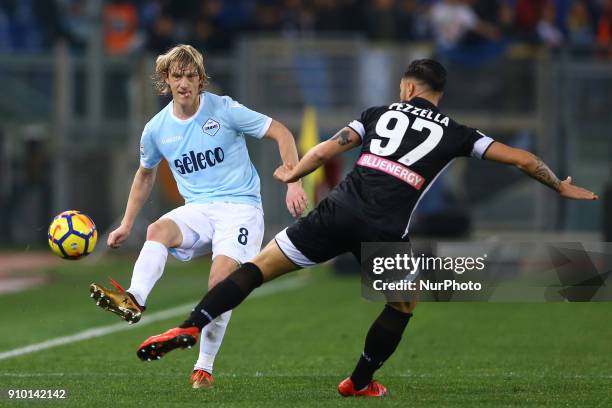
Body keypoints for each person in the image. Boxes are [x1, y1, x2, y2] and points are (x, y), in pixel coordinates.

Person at [134, 59, 598, 397]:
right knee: (402, 304)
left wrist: (293, 176)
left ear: (408, 88)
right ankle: (359, 381)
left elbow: (328, 149)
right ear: (437, 94)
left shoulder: (379, 113)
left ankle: (191, 325)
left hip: (337, 209)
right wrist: (558, 185)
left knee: (257, 268)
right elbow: (523, 159)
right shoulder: (458, 133)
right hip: (384, 228)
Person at [89, 44, 308, 389]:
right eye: (177, 76)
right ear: (166, 79)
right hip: (199, 209)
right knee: (158, 229)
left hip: (241, 208)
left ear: (201, 80)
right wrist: (127, 224)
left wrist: (293, 181)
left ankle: (203, 366)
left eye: (191, 76)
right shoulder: (157, 129)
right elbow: (144, 175)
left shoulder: (224, 109)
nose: (184, 83)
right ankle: (134, 299)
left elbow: (281, 131)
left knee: (219, 284)